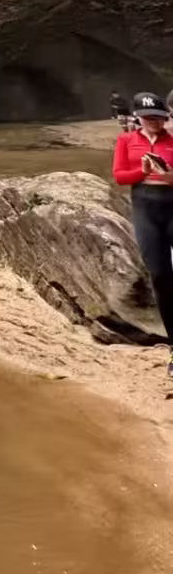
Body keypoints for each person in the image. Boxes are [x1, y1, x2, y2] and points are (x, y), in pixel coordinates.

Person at [113, 91, 173, 377]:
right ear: (138, 117)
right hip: (145, 209)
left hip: (171, 204)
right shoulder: (126, 140)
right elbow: (120, 176)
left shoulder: (172, 141)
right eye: (149, 118)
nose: (155, 124)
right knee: (160, 277)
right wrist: (143, 169)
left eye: (160, 119)